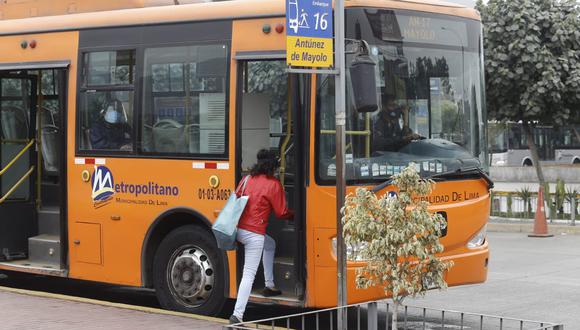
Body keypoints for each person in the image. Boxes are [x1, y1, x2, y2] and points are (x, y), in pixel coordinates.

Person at [230, 149, 294, 325]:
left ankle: (269, 284)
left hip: (239, 230)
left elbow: (235, 199)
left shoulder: (246, 179)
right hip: (254, 235)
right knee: (248, 275)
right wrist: (294, 215)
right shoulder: (273, 184)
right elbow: (281, 213)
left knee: (270, 244)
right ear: (273, 166)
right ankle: (237, 316)